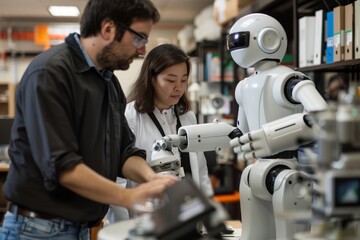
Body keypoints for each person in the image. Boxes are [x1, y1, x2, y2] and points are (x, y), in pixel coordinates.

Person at [0, 0, 178, 239]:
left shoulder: (109, 82)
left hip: (81, 228)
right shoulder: (50, 73)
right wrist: (129, 197)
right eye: (139, 38)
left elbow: (124, 152)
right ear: (108, 29)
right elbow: (62, 167)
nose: (142, 51)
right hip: (37, 229)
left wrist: (152, 179)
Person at [105, 43, 214, 222]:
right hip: (145, 220)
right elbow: (119, 181)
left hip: (188, 217)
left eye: (184, 80)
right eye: (171, 80)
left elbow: (200, 171)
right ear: (151, 78)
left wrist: (208, 215)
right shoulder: (130, 116)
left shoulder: (188, 118)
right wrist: (123, 227)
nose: (179, 87)